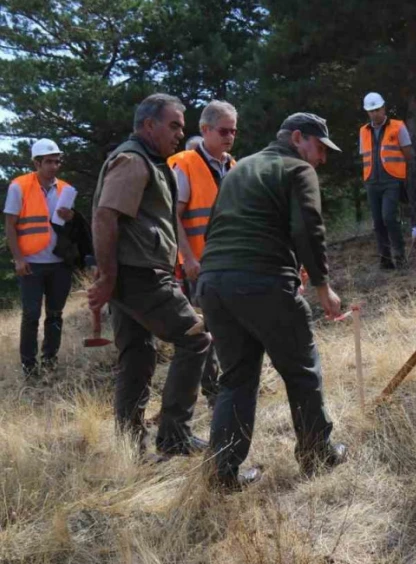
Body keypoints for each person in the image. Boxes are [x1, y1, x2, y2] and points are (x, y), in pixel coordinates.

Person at [198, 113, 347, 491]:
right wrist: (323, 286)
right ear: (298, 138)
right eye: (319, 147)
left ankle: (222, 474)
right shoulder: (297, 169)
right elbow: (307, 228)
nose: (322, 159)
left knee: (236, 380)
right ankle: (317, 453)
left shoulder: (239, 168)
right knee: (301, 370)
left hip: (215, 284)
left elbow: (220, 225)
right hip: (260, 281)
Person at [88, 93, 210, 457]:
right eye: (173, 125)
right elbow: (105, 217)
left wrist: (112, 278)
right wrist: (108, 276)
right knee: (197, 339)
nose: (179, 134)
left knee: (138, 356)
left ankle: (131, 447)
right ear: (148, 125)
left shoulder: (151, 160)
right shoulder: (133, 160)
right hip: (139, 275)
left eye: (181, 128)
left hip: (133, 274)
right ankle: (174, 436)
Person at [168, 100, 236, 409]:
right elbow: (174, 216)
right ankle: (212, 392)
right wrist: (188, 259)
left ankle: (229, 384)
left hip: (230, 264)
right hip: (199, 266)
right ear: (205, 129)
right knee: (204, 329)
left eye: (234, 131)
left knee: (230, 327)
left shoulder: (233, 166)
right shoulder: (184, 164)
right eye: (224, 130)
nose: (230, 137)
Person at [5, 139, 76, 378]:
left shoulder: (66, 189)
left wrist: (71, 216)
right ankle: (29, 366)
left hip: (59, 265)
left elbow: (71, 228)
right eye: (48, 162)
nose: (54, 166)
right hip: (31, 264)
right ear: (36, 162)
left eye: (57, 161)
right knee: (31, 315)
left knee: (55, 314)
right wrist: (18, 258)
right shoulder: (19, 186)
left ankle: (49, 361)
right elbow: (10, 226)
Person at [359, 92, 415, 269]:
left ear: (384, 108)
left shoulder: (398, 127)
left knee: (389, 217)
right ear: (367, 112)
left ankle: (399, 255)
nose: (374, 113)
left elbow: (408, 153)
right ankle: (385, 259)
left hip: (392, 180)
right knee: (378, 222)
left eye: (377, 109)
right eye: (371, 111)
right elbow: (365, 155)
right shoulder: (364, 131)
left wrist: (401, 173)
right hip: (372, 181)